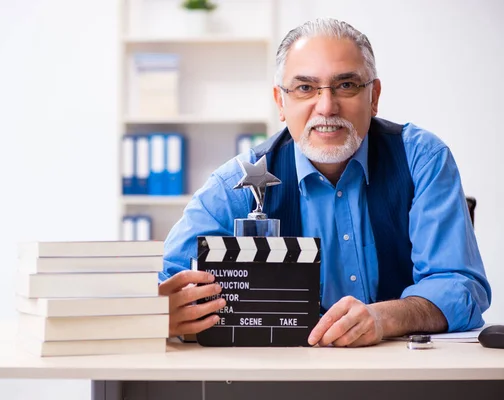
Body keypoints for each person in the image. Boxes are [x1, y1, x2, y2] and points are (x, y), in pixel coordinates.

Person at [158, 18, 491, 347]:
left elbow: (460, 287)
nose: (327, 106)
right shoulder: (237, 184)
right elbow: (163, 285)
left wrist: (385, 317)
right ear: (281, 103)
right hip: (280, 379)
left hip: (404, 373)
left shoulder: (422, 159)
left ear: (373, 96)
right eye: (305, 88)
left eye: (346, 85)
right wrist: (162, 314)